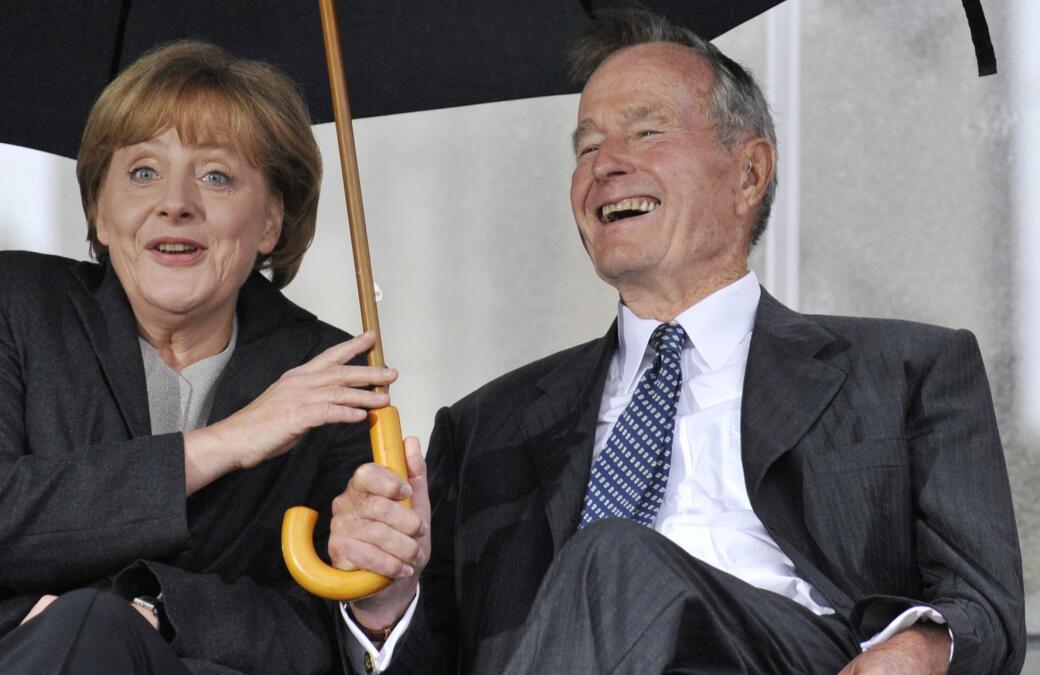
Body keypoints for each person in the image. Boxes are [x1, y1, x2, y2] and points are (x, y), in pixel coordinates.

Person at [327, 8, 1025, 675]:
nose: (604, 165)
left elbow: (986, 609)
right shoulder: (484, 428)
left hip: (802, 654)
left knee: (615, 561)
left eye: (646, 133)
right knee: (606, 567)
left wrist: (926, 647)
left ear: (749, 172)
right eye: (588, 146)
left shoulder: (906, 371)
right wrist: (386, 601)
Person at [0, 41, 397, 674]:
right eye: (142, 172)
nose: (176, 202)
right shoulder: (8, 304)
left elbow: (317, 635)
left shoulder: (325, 373)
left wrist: (153, 605)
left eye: (217, 175)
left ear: (270, 221)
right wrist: (222, 444)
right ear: (100, 211)